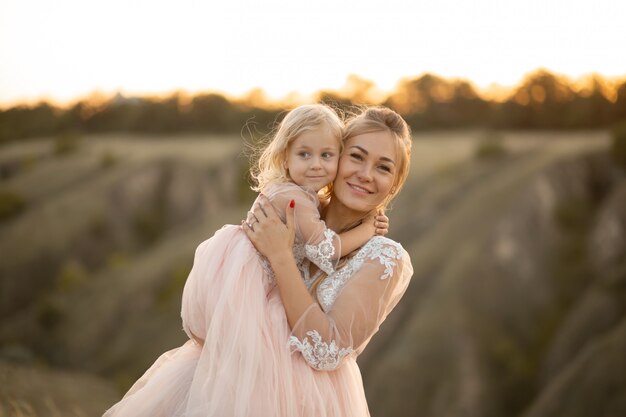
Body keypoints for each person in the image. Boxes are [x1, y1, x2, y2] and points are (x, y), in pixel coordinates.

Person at [102, 104, 389, 417]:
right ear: (285, 157)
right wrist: (366, 230)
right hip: (258, 288)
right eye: (304, 155)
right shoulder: (294, 199)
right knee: (264, 368)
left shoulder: (296, 194)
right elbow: (323, 247)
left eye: (326, 155)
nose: (316, 165)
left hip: (246, 279)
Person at [242, 106, 414, 416]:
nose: (365, 174)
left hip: (307, 403)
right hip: (238, 380)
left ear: (395, 184)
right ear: (335, 156)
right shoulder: (296, 210)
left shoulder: (384, 257)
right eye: (357, 156)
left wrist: (280, 257)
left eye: (383, 167)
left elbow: (325, 350)